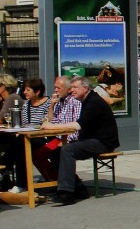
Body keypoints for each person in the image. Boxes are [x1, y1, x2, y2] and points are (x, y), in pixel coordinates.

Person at [39, 76, 119, 205]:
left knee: (68, 149)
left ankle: (66, 193)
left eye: (75, 87)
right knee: (55, 152)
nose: (72, 91)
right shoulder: (86, 100)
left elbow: (77, 125)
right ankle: (79, 188)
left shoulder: (93, 102)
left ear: (85, 88)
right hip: (90, 139)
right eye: (71, 88)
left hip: (103, 142)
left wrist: (51, 127)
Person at [0, 78, 52, 193]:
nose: (24, 92)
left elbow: (47, 121)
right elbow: (24, 123)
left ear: (37, 92)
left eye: (28, 90)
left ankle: (2, 170)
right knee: (20, 146)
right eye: (24, 90)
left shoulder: (48, 103)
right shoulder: (27, 104)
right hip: (28, 137)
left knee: (20, 143)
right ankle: (18, 182)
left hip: (43, 137)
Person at [31, 76, 83, 184]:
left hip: (69, 138)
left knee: (55, 154)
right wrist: (52, 105)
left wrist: (66, 140)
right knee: (36, 155)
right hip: (57, 139)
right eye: (55, 88)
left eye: (58, 88)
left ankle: (66, 182)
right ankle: (54, 179)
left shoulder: (75, 102)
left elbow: (77, 127)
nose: (55, 90)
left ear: (68, 89)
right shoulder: (58, 102)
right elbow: (50, 121)